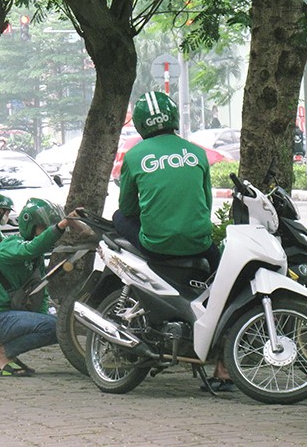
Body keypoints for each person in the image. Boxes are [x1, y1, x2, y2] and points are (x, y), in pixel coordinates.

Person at [113, 91, 228, 390]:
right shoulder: (197, 152)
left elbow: (128, 209)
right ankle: (223, 364)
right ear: (174, 117)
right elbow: (205, 200)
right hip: (200, 243)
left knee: (117, 218)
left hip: (155, 245)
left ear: (140, 123)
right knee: (225, 286)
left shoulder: (135, 155)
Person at [0, 198, 78, 377]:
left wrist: (49, 319)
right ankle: (1, 353)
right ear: (30, 225)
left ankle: (8, 352)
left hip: (9, 316)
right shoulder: (9, 246)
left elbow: (41, 293)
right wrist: (60, 226)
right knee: (54, 326)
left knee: (61, 326)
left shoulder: (35, 259)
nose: (46, 234)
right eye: (43, 228)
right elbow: (31, 249)